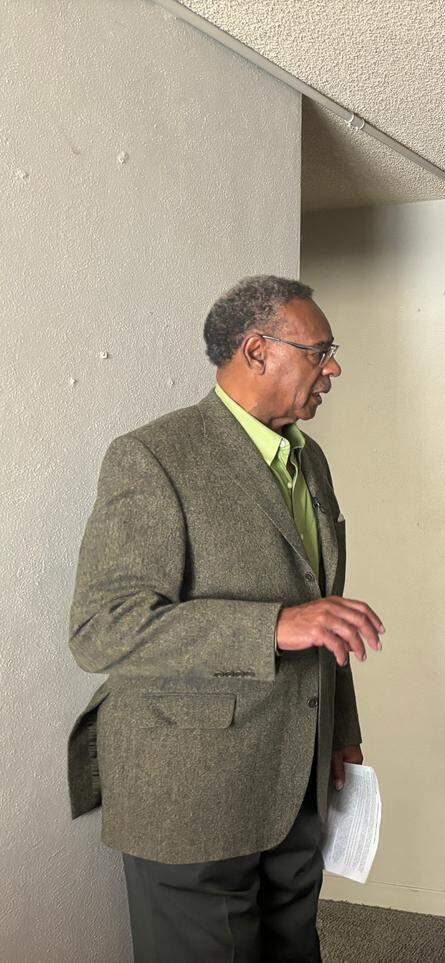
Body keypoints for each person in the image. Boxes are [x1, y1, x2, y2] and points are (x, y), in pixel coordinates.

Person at [67, 275, 385, 962]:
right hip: (190, 798)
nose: (333, 367)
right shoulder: (154, 457)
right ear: (257, 350)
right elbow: (102, 626)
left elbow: (321, 609)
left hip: (296, 778)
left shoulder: (311, 461)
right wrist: (271, 625)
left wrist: (342, 733)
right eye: (320, 350)